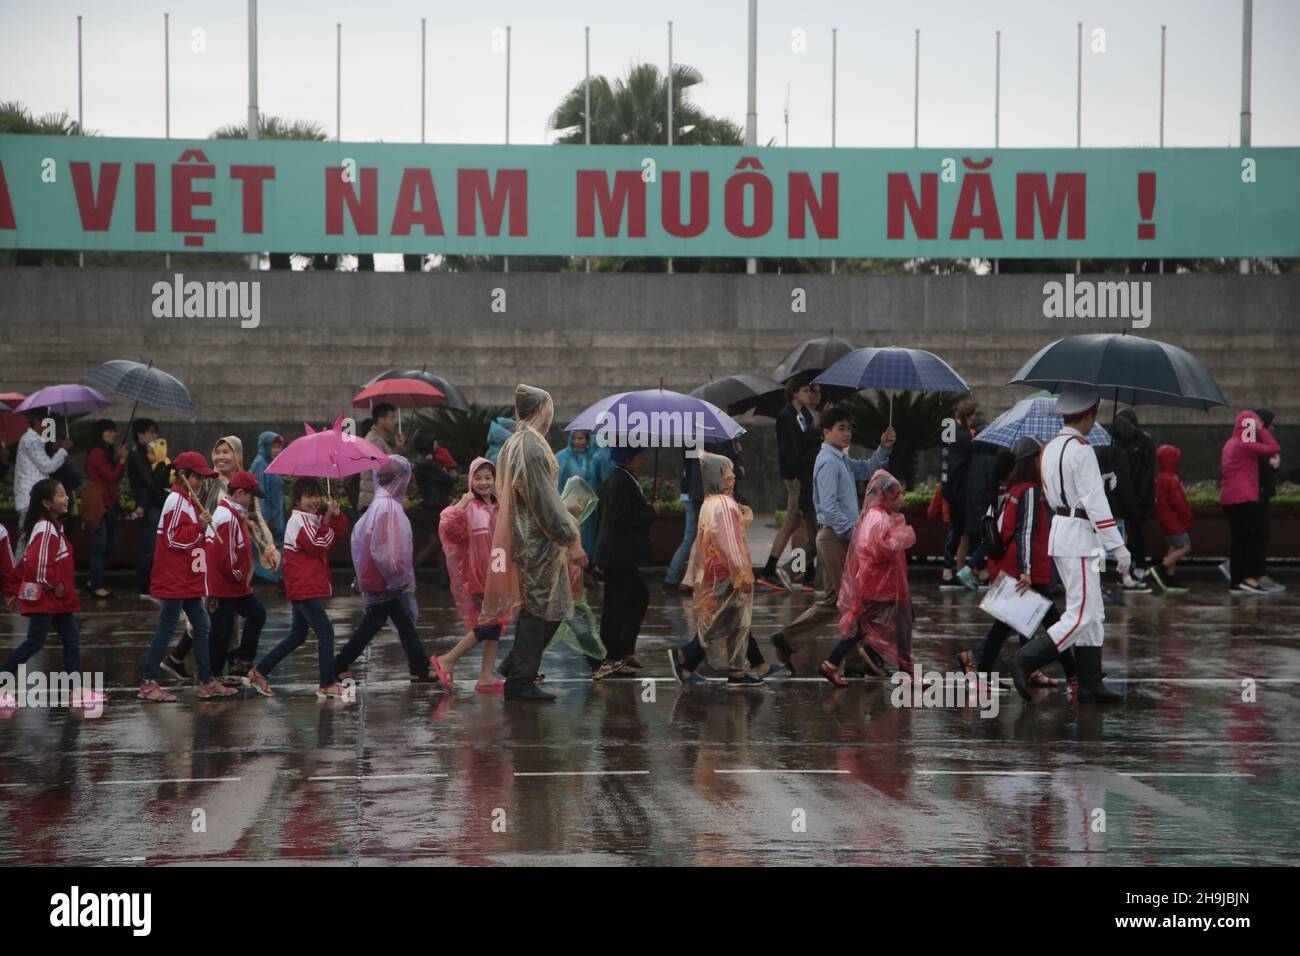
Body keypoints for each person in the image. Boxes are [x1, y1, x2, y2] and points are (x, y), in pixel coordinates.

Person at [1005, 385, 1129, 704]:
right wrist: (1118, 546)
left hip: (1062, 532)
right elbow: (1096, 502)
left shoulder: (1049, 449)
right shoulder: (1082, 450)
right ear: (1089, 414)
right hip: (1079, 536)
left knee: (1093, 612)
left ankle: (1089, 681)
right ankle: (1024, 659)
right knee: (1082, 615)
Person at [767, 406, 895, 675]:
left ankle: (788, 638)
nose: (847, 433)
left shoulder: (840, 459)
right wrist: (855, 533)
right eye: (841, 429)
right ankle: (855, 661)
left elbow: (868, 469)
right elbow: (828, 508)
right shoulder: (827, 462)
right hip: (834, 536)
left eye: (849, 428)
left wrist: (883, 448)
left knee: (833, 600)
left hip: (841, 536)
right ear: (826, 433)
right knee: (849, 601)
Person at [481, 384, 586, 701]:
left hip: (535, 539)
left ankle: (516, 666)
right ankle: (520, 680)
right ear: (542, 409)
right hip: (536, 542)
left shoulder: (520, 443)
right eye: (550, 406)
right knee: (537, 609)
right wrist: (571, 538)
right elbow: (542, 501)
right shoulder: (529, 446)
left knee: (552, 608)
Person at [968, 438, 1077, 686]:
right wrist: (1025, 571)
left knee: (1012, 624)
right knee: (1052, 624)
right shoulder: (1028, 490)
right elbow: (1025, 532)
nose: (1043, 462)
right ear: (1032, 461)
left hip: (1019, 567)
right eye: (1040, 458)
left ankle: (983, 673)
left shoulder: (1014, 490)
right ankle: (1073, 673)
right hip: (1027, 571)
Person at [139, 452, 238, 702]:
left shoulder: (190, 502)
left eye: (204, 478)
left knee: (202, 626)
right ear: (185, 476)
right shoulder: (176, 500)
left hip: (187, 580)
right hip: (175, 579)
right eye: (198, 477)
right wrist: (199, 527)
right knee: (167, 628)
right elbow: (173, 538)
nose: (202, 482)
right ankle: (148, 682)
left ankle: (206, 681)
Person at [0, 480, 107, 711]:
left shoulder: (51, 526)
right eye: (60, 495)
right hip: (48, 599)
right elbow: (38, 566)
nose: (66, 498)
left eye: (65, 493)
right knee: (34, 643)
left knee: (71, 639)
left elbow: (28, 562)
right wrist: (54, 584)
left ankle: (76, 690)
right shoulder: (46, 529)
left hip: (58, 601)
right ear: (47, 503)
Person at [667, 452, 771, 689]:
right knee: (720, 621)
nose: (732, 476)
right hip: (727, 574)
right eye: (727, 471)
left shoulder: (711, 502)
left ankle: (736, 671)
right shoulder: (724, 505)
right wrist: (742, 574)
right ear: (718, 475)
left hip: (716, 572)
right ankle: (685, 656)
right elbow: (729, 543)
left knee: (738, 621)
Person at [333, 456, 436, 684]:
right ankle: (339, 663)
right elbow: (388, 553)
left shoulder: (380, 504)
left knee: (401, 623)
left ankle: (419, 667)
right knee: (373, 625)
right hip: (386, 580)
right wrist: (399, 577)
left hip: (377, 577)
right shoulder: (389, 507)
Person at [251, 477, 350, 699]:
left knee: (298, 635)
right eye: (309, 496)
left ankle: (261, 671)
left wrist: (334, 516)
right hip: (303, 586)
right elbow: (317, 545)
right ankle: (326, 682)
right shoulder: (299, 520)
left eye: (317, 495)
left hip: (303, 585)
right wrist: (329, 523)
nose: (314, 500)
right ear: (298, 499)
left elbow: (335, 533)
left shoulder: (311, 518)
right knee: (326, 631)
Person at [821, 470, 917, 686]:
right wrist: (900, 539)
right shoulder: (877, 517)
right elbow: (873, 548)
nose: (902, 497)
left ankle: (901, 669)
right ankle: (838, 661)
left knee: (901, 619)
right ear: (886, 495)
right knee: (873, 626)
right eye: (898, 493)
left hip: (886, 585)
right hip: (879, 586)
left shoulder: (881, 515)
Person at [429, 458, 509, 693]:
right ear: (470, 481)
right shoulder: (468, 508)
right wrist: (461, 504)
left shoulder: (499, 505)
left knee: (495, 626)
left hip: (499, 573)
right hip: (479, 576)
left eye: (488, 477)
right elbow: (449, 529)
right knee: (490, 623)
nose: (484, 482)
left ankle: (485, 675)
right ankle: (447, 659)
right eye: (478, 478)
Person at [590, 445, 657, 680]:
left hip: (621, 554)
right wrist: (650, 512)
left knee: (639, 596)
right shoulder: (620, 482)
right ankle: (613, 656)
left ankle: (625, 648)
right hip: (618, 554)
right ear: (629, 459)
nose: (642, 459)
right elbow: (620, 518)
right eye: (639, 456)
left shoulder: (624, 478)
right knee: (615, 607)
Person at [205, 471, 269, 688]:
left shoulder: (229, 514)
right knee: (220, 632)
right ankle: (214, 676)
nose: (252, 501)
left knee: (226, 629)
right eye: (251, 496)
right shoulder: (227, 517)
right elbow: (227, 558)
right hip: (227, 586)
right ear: (240, 493)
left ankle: (238, 665)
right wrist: (240, 577)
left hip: (228, 586)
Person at [759, 378, 821, 591]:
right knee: (794, 522)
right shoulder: (786, 417)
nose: (809, 394)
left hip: (803, 475)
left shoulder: (803, 415)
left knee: (798, 524)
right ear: (794, 393)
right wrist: (814, 431)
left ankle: (802, 573)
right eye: (805, 390)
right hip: (796, 477)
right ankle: (775, 570)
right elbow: (792, 449)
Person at [1219, 409, 1280, 594]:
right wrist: (1261, 429)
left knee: (1239, 540)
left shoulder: (1231, 442)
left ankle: (1237, 581)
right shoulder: (1246, 444)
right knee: (1250, 538)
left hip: (1230, 498)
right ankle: (1247, 578)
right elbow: (1273, 447)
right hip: (1244, 497)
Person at [82, 419, 128, 600]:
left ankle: (92, 579)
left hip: (108, 502)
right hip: (98, 504)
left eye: (113, 431)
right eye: (108, 431)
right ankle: (96, 585)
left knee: (110, 545)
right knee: (99, 547)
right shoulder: (97, 453)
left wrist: (119, 459)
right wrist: (122, 460)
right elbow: (111, 477)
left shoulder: (106, 452)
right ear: (99, 434)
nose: (112, 434)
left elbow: (114, 476)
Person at [1111, 408, 1157, 582]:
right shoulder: (1116, 440)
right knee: (1124, 534)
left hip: (1137, 498)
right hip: (1125, 496)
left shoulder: (1144, 441)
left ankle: (1136, 565)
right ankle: (1129, 568)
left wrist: (1140, 498)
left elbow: (1147, 472)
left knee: (1135, 533)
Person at [126, 418, 166, 604]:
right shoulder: (136, 454)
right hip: (147, 505)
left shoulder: (146, 454)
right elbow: (148, 482)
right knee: (148, 547)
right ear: (140, 434)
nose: (154, 436)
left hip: (151, 504)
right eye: (150, 432)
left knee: (153, 546)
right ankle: (145, 587)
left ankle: (150, 586)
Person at [940, 400, 978, 590]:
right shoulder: (965, 437)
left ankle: (949, 569)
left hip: (948, 488)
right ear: (971, 416)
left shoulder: (950, 432)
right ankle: (948, 570)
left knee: (956, 530)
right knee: (959, 530)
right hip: (961, 491)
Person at [12, 410, 72, 530]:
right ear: (35, 421)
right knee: (27, 536)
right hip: (29, 497)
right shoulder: (31, 439)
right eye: (45, 421)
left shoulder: (36, 440)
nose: (47, 425)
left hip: (34, 496)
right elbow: (47, 466)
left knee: (35, 534)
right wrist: (64, 450)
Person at [411, 429, 456, 575]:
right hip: (434, 509)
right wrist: (449, 471)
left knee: (441, 544)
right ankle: (410, 572)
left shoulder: (422, 462)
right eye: (433, 441)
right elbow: (451, 479)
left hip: (431, 508)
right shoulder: (430, 465)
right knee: (434, 544)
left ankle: (442, 577)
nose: (437, 443)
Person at [1149, 444, 1192, 594]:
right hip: (1175, 521)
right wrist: (1187, 519)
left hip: (1165, 520)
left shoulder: (1160, 478)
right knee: (1185, 546)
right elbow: (1180, 504)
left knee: (1174, 546)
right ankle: (1162, 567)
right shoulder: (1172, 479)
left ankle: (1169, 577)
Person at [555, 430, 603, 562]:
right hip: (570, 506)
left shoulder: (593, 458)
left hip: (590, 506)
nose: (577, 442)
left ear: (587, 440)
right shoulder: (562, 457)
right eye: (574, 438)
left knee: (588, 535)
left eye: (581, 438)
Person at [1252, 409, 1285, 592]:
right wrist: (1272, 466)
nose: (1272, 428)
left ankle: (1257, 573)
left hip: (1259, 494)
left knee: (1260, 535)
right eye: (1269, 424)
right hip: (1255, 495)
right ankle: (1256, 574)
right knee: (1258, 535)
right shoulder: (1254, 441)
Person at [249, 431, 285, 586]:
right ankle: (271, 580)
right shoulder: (260, 464)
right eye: (274, 447)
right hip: (268, 519)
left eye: (279, 447)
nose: (277, 450)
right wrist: (263, 520)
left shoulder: (271, 464)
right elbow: (260, 494)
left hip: (276, 517)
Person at [358, 404, 407, 512]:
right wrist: (402, 466)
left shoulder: (384, 439)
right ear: (381, 419)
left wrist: (399, 448)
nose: (394, 422)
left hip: (382, 499)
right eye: (392, 418)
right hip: (374, 501)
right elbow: (383, 469)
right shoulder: (374, 440)